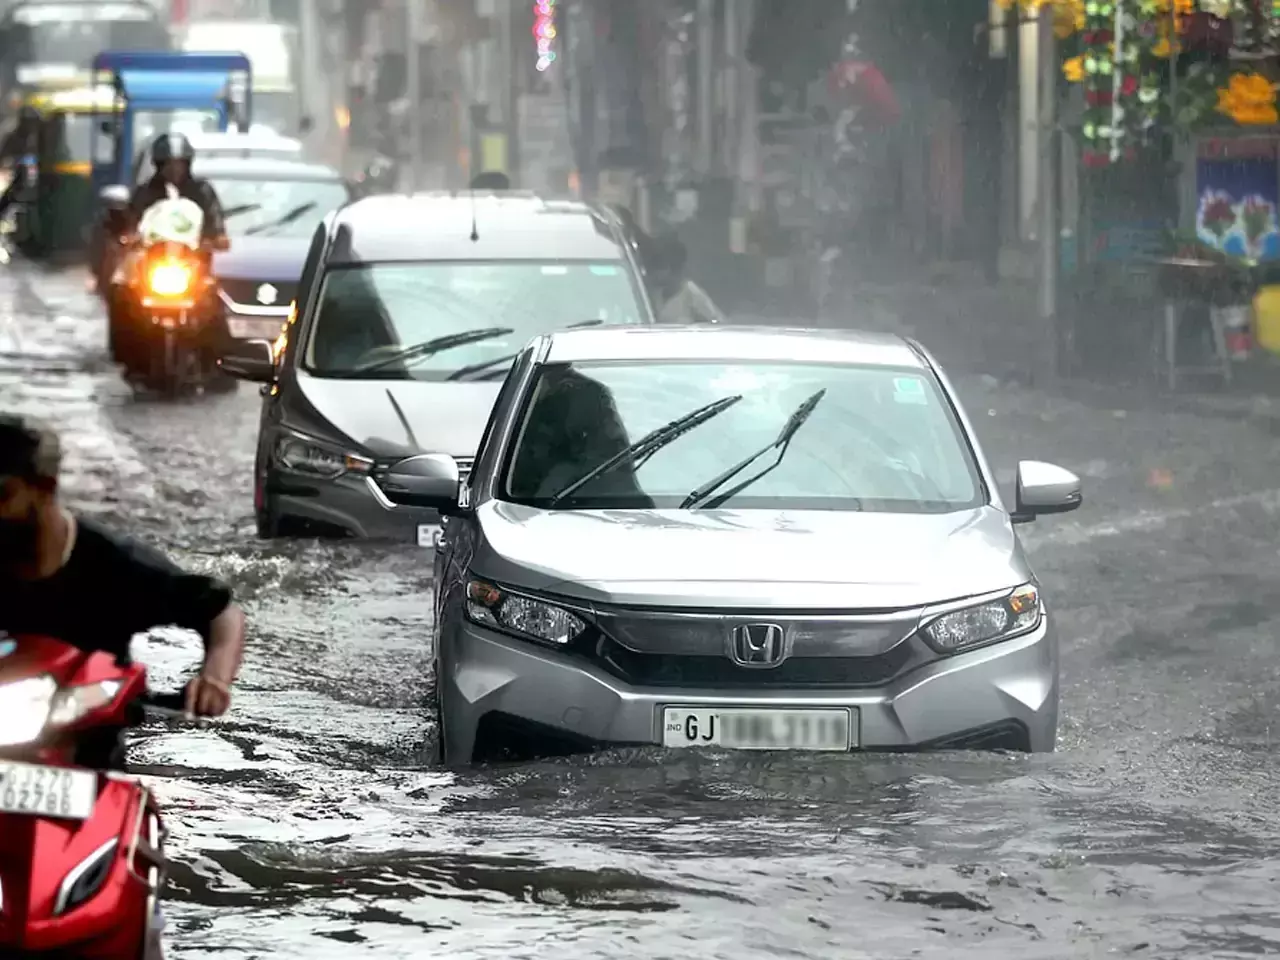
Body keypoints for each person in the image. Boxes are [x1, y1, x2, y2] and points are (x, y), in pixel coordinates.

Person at [0, 414, 246, 752]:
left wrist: (214, 680)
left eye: (2, 496)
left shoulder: (116, 566)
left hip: (86, 756)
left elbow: (223, 614)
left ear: (46, 488)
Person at [109, 132, 231, 381]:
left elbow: (215, 221)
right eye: (168, 164)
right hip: (153, 264)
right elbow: (131, 220)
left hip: (191, 264)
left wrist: (216, 237)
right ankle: (130, 359)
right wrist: (128, 236)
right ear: (158, 165)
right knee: (121, 295)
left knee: (215, 304)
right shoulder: (145, 192)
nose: (174, 169)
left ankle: (215, 364)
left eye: (179, 164)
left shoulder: (202, 191)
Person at [651, 231, 726, 325]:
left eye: (659, 266)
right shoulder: (652, 295)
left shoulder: (691, 294)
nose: (654, 272)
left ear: (673, 268)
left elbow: (718, 322)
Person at [0, 105, 42, 219]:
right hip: (16, 176)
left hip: (37, 181)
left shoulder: (40, 137)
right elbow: (5, 156)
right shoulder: (14, 137)